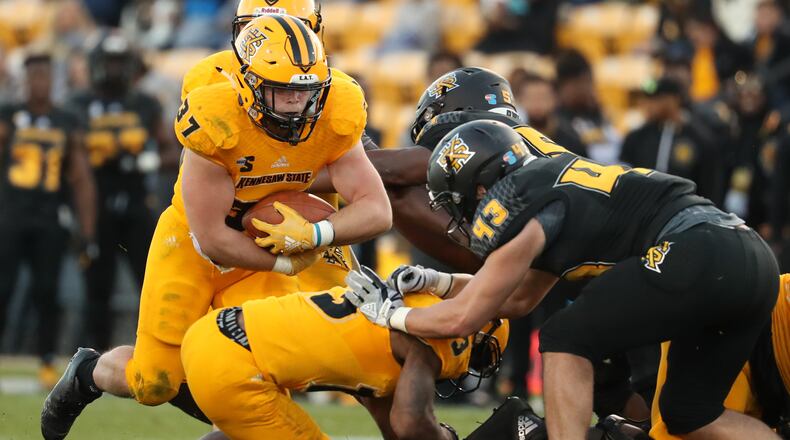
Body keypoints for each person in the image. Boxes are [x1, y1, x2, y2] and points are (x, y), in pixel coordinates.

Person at [41, 14, 390, 440]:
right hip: (193, 245)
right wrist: (285, 265)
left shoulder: (337, 108)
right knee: (155, 382)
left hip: (261, 246)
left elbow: (377, 208)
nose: (297, 103)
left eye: (305, 91)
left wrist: (317, 235)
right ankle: (89, 373)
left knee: (266, 368)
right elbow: (211, 237)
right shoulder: (213, 113)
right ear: (247, 83)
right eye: (282, 91)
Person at [347, 119, 780, 439]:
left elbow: (463, 318)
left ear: (481, 188)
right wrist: (435, 281)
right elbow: (516, 299)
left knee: (564, 337)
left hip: (696, 251)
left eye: (455, 198)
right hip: (746, 256)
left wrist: (389, 314)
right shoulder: (550, 186)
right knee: (690, 414)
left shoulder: (520, 201)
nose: (457, 213)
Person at [181, 268, 509, 440]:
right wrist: (447, 436)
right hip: (234, 363)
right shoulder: (435, 343)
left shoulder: (402, 329)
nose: (471, 367)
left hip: (217, 335)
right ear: (470, 334)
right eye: (480, 357)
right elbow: (411, 426)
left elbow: (394, 429)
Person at [68, 32, 178, 352]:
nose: (115, 69)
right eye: (110, 62)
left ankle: (155, 349)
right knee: (97, 285)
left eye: (120, 62)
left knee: (150, 280)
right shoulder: (78, 104)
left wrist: (149, 160)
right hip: (94, 204)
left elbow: (172, 151)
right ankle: (95, 358)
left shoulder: (144, 103)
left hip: (133, 203)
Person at [0, 52, 96, 388]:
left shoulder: (66, 120)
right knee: (4, 288)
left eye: (44, 75)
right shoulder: (8, 115)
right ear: (23, 79)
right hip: (9, 215)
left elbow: (80, 177)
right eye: (33, 76)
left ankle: (45, 361)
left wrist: (87, 230)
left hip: (49, 218)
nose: (38, 82)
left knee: (47, 290)